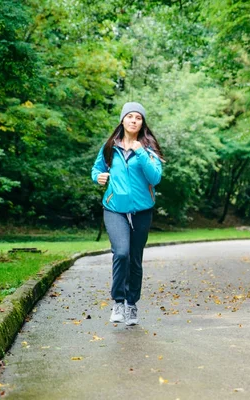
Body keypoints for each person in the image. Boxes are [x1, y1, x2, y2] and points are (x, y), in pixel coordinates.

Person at [91, 102, 164, 326]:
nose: (133, 120)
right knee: (121, 253)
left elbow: (155, 178)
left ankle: (131, 305)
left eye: (138, 117)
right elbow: (96, 169)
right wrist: (98, 177)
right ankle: (118, 302)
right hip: (115, 209)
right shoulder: (109, 147)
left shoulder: (149, 149)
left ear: (142, 123)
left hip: (142, 211)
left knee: (135, 259)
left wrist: (140, 152)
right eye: (129, 116)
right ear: (122, 120)